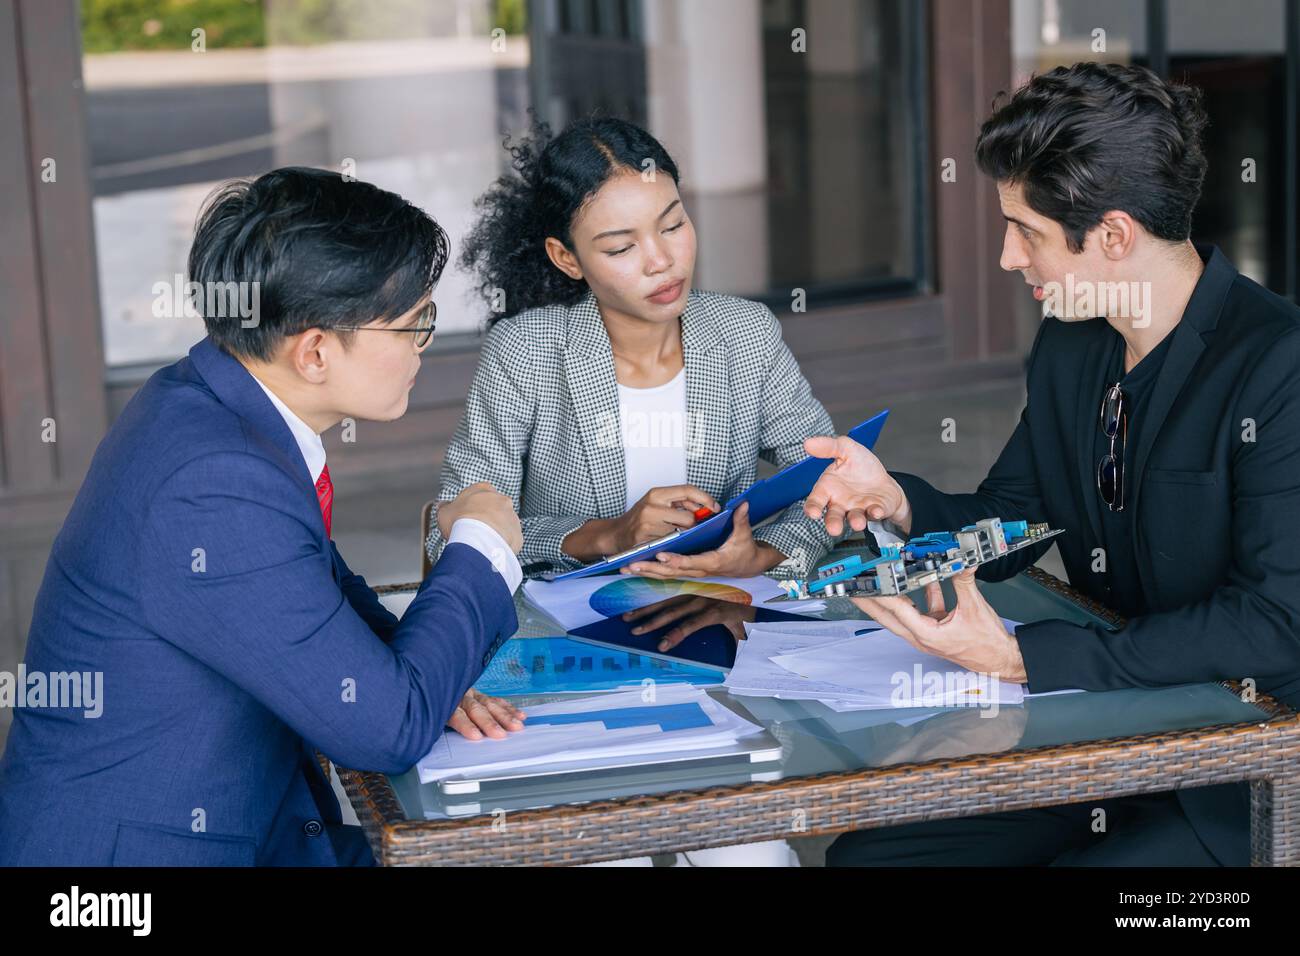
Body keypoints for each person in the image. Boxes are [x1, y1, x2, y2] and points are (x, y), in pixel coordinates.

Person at [801, 63, 1300, 866]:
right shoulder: (1075, 341)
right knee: (872, 859)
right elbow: (1018, 524)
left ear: (1112, 236)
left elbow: (1278, 625)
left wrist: (1018, 657)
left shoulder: (1278, 363)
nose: (1006, 256)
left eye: (1025, 230)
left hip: (1255, 773)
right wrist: (894, 499)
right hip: (1119, 735)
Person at [0, 168, 527, 866]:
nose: (422, 347)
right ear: (313, 352)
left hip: (247, 824)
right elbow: (386, 731)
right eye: (414, 324)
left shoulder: (209, 400)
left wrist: (425, 674)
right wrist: (482, 543)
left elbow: (317, 594)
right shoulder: (212, 485)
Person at [425, 116, 839, 588]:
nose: (662, 261)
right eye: (622, 248)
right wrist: (606, 536)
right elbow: (452, 536)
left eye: (673, 224)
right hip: (576, 638)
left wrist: (762, 557)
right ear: (567, 258)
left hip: (720, 615)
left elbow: (828, 484)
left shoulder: (745, 333)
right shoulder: (526, 351)